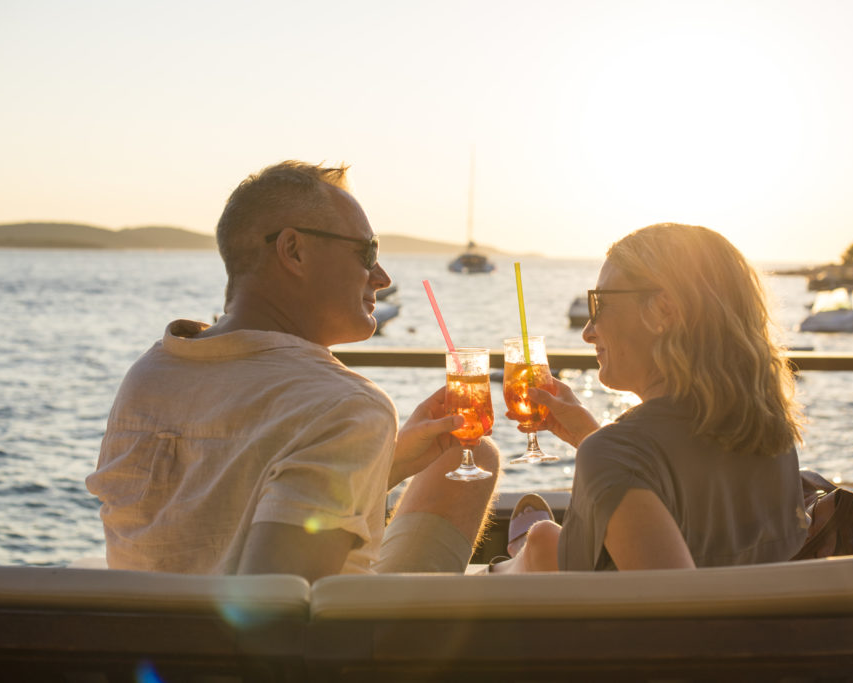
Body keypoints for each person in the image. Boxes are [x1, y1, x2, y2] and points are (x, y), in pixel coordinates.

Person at [87, 160, 499, 581]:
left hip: (149, 634)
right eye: (367, 252)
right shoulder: (346, 407)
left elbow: (211, 521)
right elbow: (277, 616)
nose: (381, 276)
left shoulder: (149, 376)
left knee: (471, 458)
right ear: (294, 250)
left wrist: (383, 462)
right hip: (332, 642)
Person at [494, 223, 807, 573]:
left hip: (595, 627)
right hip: (766, 627)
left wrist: (606, 451)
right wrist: (592, 438)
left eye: (600, 304)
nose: (588, 331)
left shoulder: (612, 454)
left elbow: (677, 612)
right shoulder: (771, 436)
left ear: (663, 311)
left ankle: (507, 566)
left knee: (540, 542)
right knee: (544, 541)